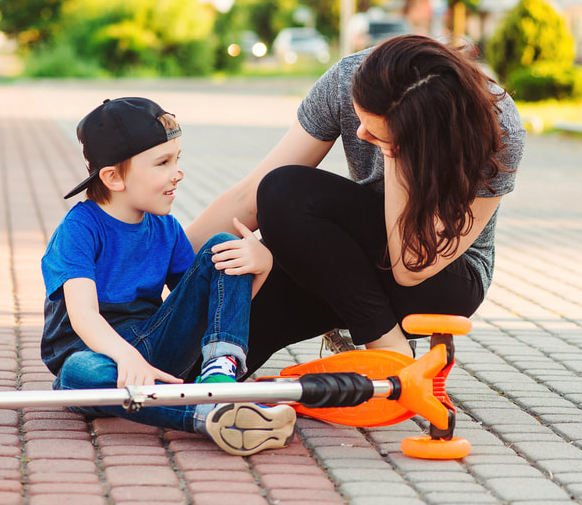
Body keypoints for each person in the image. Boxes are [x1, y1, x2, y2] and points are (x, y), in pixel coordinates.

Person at [189, 34, 526, 376]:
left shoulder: (499, 128)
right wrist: (169, 262)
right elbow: (249, 198)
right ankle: (384, 348)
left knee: (286, 190)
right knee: (191, 366)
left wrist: (398, 153)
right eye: (360, 117)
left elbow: (411, 267)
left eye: (376, 132)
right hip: (346, 266)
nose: (361, 134)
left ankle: (389, 352)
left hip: (440, 277)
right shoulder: (347, 78)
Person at [40, 97, 296, 456]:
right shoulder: (80, 229)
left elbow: (210, 306)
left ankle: (219, 374)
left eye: (177, 159)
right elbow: (83, 317)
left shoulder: (166, 228)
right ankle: (209, 416)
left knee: (224, 247)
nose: (178, 172)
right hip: (97, 354)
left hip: (154, 346)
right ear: (113, 177)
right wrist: (126, 357)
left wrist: (262, 264)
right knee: (82, 373)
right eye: (163, 162)